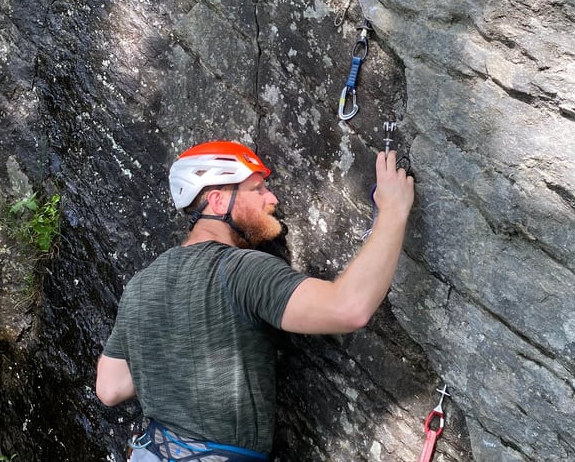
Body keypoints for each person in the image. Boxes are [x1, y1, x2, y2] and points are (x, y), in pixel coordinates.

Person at [96, 140, 415, 461]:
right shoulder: (241, 269)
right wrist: (392, 211)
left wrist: (171, 359)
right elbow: (348, 308)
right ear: (218, 201)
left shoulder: (142, 283)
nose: (272, 199)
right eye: (258, 189)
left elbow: (111, 387)